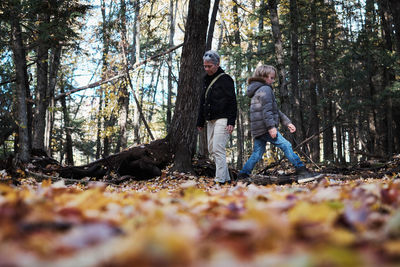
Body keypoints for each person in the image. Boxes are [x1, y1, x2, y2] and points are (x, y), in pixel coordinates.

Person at [238, 65, 321, 183]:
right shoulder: (265, 89)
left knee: (257, 153)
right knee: (286, 145)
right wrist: (271, 127)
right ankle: (302, 171)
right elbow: (267, 111)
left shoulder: (259, 89)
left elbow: (275, 110)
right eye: (271, 78)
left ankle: (243, 175)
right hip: (265, 128)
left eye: (273, 78)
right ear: (263, 77)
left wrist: (287, 122)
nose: (273, 81)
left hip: (259, 129)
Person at [197, 50, 237, 184]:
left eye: (209, 66)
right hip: (210, 119)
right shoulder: (205, 80)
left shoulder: (226, 79)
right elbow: (203, 101)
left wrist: (231, 121)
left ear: (217, 64)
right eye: (205, 66)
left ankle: (219, 180)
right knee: (211, 149)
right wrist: (200, 121)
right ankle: (226, 178)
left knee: (218, 148)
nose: (207, 69)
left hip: (223, 118)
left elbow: (232, 101)